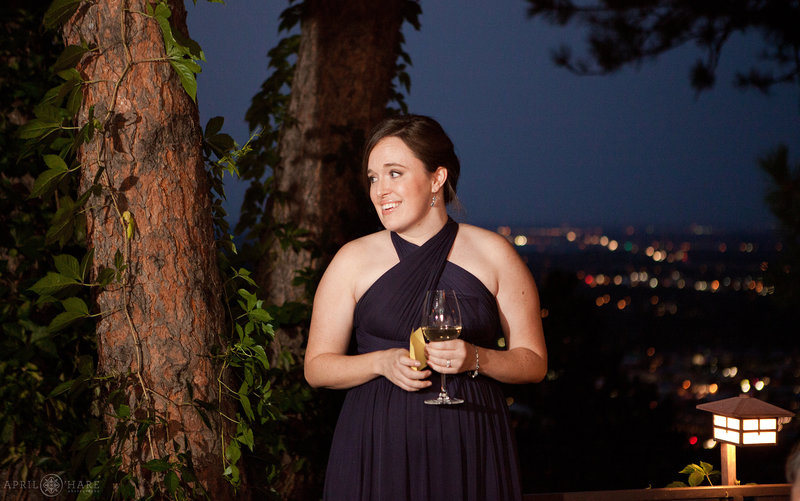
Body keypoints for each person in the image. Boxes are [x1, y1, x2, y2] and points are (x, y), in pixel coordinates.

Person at [304, 114, 548, 501]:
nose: (380, 190)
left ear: (437, 178)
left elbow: (534, 362)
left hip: (471, 442)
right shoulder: (352, 259)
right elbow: (316, 368)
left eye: (395, 173)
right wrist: (379, 363)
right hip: (376, 444)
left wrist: (476, 358)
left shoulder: (494, 254)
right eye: (373, 177)